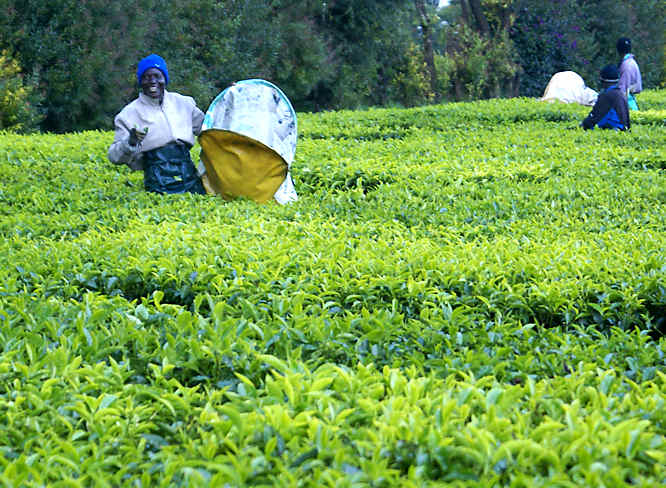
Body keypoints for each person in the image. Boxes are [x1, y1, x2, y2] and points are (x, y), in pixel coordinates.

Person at [108, 54, 206, 194]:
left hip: (189, 175)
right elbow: (114, 156)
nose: (152, 81)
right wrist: (130, 142)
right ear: (140, 81)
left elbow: (209, 128)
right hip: (157, 180)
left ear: (164, 79)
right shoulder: (128, 114)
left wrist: (230, 100)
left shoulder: (184, 103)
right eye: (146, 77)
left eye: (157, 76)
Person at [581, 65, 630, 131]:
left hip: (612, 130)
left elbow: (595, 117)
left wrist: (582, 125)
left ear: (603, 81)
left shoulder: (606, 95)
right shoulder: (621, 94)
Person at [616, 37, 642, 111]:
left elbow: (623, 90)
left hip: (628, 105)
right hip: (630, 102)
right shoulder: (631, 62)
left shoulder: (626, 65)